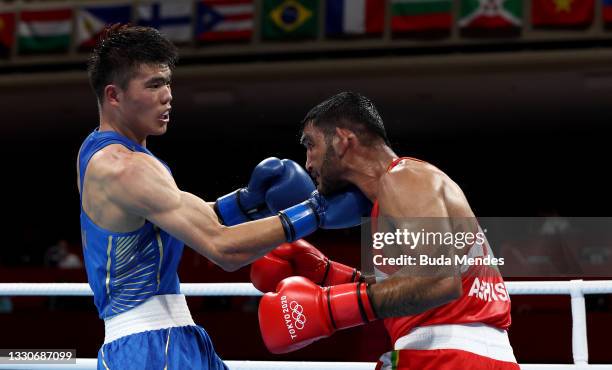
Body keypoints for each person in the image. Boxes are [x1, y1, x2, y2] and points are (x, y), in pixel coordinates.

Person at [77, 26, 371, 369]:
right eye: (154, 85)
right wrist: (315, 211)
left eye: (168, 82)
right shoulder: (126, 168)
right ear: (114, 95)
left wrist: (246, 202)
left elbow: (186, 217)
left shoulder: (97, 149)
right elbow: (224, 249)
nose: (167, 95)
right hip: (154, 348)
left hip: (165, 339)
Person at [253, 91, 519, 369]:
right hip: (453, 354)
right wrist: (327, 274)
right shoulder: (397, 192)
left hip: (448, 356)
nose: (308, 162)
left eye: (311, 145)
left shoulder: (404, 179)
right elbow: (413, 283)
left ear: (343, 140)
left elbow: (439, 280)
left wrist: (328, 309)